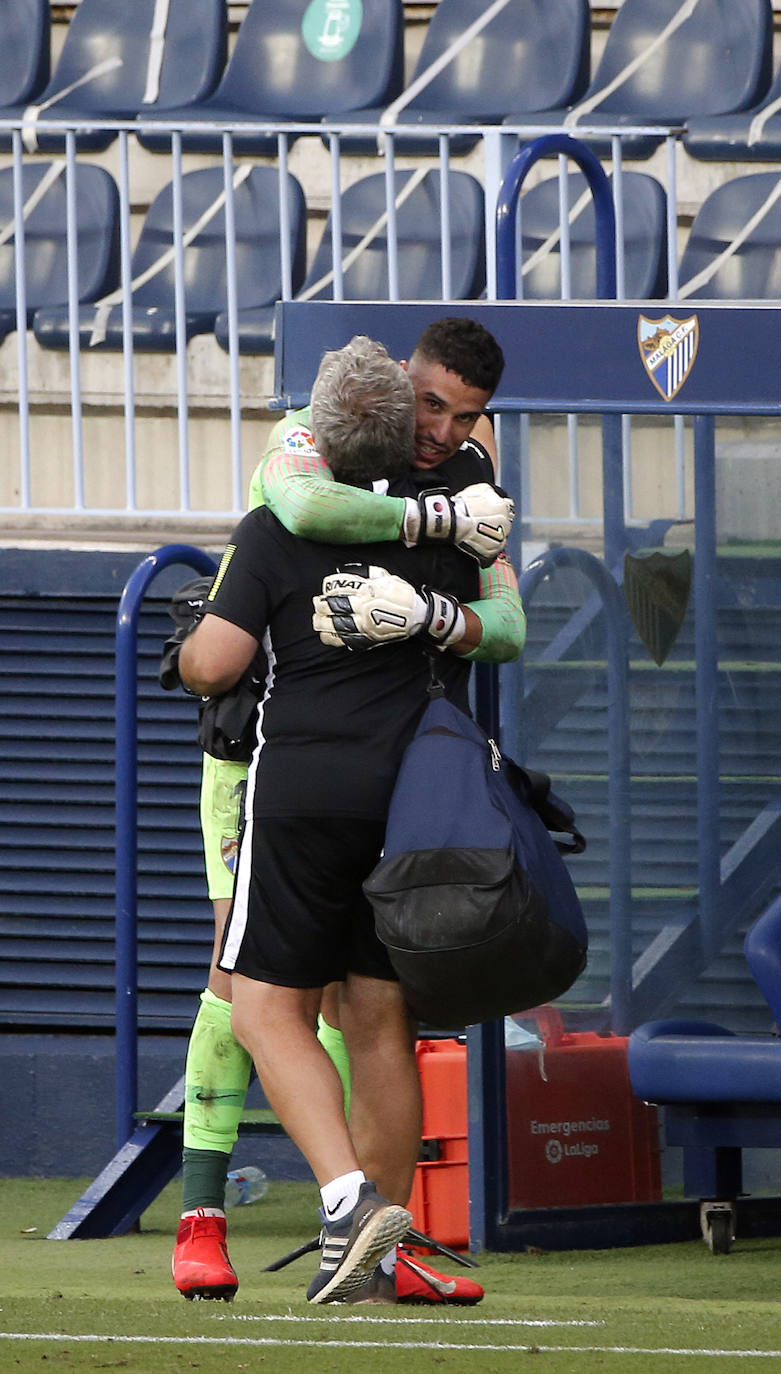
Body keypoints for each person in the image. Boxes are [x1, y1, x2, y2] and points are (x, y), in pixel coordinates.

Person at [172, 318, 520, 1303]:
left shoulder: (279, 523)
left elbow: (215, 664)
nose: (449, 427)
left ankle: (347, 1201)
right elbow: (507, 620)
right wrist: (441, 581)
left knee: (256, 1003)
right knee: (378, 1019)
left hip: (297, 791)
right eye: (433, 407)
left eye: (467, 415)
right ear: (401, 401)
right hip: (411, 795)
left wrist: (197, 634)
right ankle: (374, 1255)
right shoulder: (456, 514)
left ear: (321, 421)